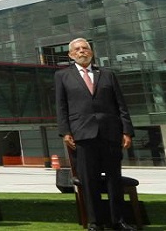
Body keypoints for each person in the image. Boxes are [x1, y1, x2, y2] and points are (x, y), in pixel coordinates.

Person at [56, 37, 137, 231]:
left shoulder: (107, 75)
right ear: (71, 55)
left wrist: (127, 130)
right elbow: (61, 106)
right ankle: (95, 222)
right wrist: (65, 131)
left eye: (85, 48)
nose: (82, 51)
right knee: (89, 180)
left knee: (113, 179)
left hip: (110, 133)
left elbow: (121, 105)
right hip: (82, 135)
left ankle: (118, 220)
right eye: (78, 49)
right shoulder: (62, 76)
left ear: (91, 52)